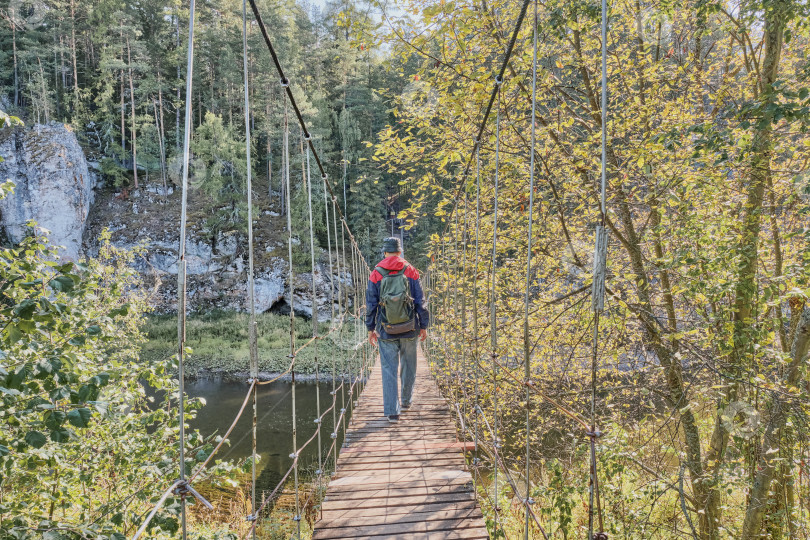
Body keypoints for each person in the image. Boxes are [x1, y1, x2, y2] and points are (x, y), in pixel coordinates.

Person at [366, 237, 429, 423]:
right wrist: (423, 325)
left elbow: (371, 305)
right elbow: (420, 301)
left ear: (384, 252)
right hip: (410, 328)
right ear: (400, 252)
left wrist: (370, 328)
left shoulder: (375, 273)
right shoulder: (410, 270)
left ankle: (392, 413)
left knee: (388, 369)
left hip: (386, 329)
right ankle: (407, 401)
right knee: (409, 366)